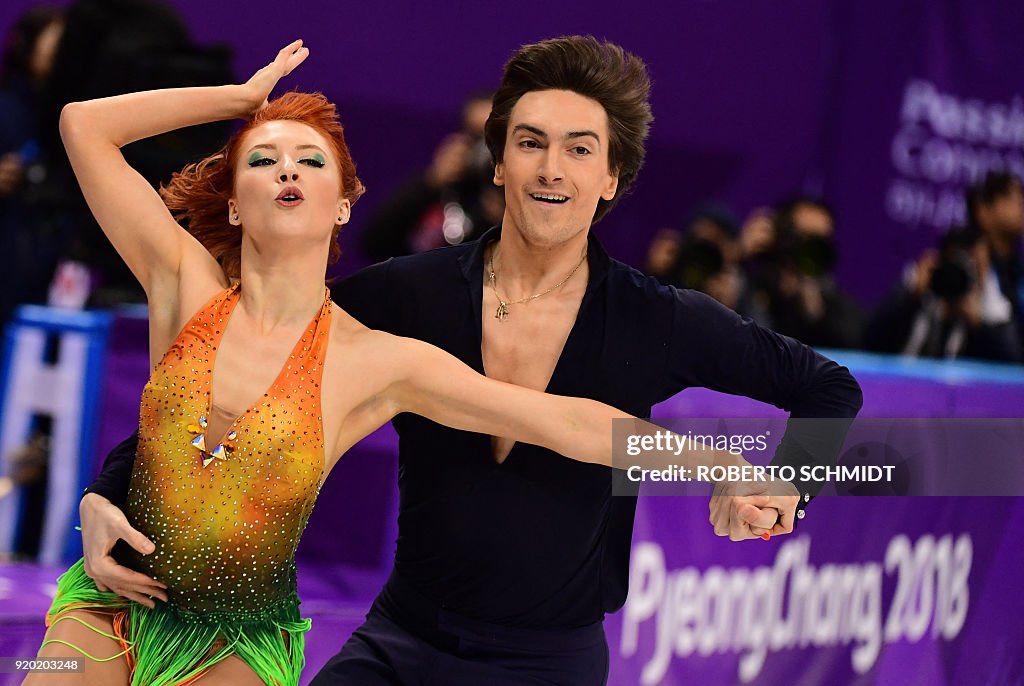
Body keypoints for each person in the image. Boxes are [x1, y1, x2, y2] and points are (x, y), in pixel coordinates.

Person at [80, 37, 862, 685]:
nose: (552, 169)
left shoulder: (664, 320)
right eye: (530, 144)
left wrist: (785, 483)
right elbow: (233, 379)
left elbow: (827, 387)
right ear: (498, 165)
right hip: (400, 642)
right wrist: (109, 490)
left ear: (611, 177)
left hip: (548, 661)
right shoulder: (406, 296)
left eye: (578, 150)